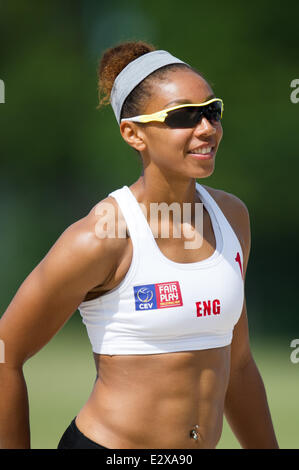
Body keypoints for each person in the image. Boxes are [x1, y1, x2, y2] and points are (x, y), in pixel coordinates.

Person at [0, 40, 279, 450]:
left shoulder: (232, 218)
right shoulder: (101, 236)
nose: (206, 128)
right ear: (133, 134)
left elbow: (237, 365)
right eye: (184, 116)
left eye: (212, 111)